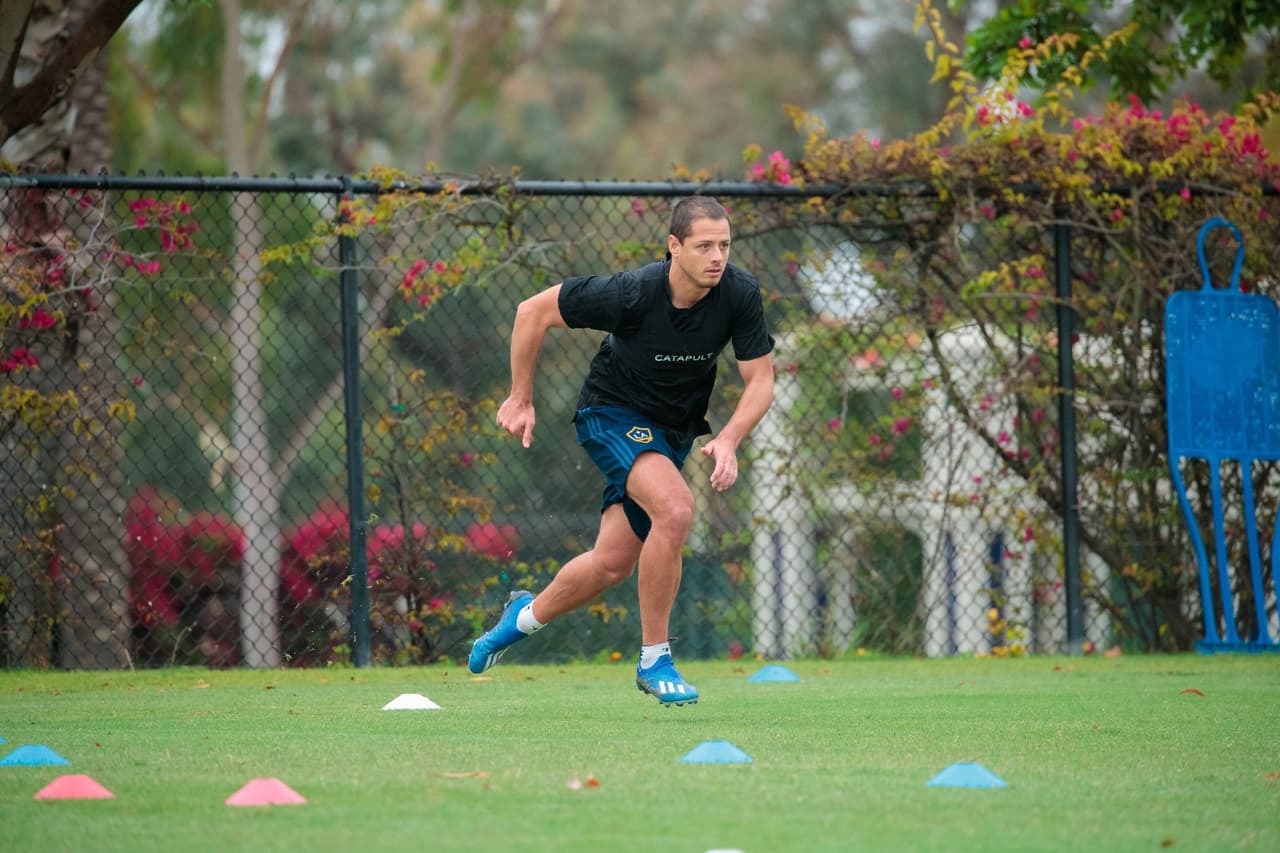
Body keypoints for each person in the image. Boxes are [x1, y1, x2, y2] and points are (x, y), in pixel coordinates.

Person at [469, 196, 775, 707]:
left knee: (611, 564)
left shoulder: (739, 294)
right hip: (609, 415)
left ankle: (517, 621)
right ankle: (655, 658)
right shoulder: (631, 293)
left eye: (724, 245)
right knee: (675, 510)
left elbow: (761, 379)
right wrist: (521, 395)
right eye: (704, 246)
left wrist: (729, 437)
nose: (717, 256)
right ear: (674, 247)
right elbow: (532, 312)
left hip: (671, 433)